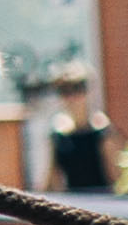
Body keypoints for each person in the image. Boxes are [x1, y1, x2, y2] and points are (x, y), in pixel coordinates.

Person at [47, 64, 115, 194]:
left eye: (77, 88)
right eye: (65, 91)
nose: (72, 97)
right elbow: (51, 182)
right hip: (73, 204)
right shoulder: (58, 135)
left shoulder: (103, 132)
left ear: (88, 92)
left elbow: (116, 182)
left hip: (102, 204)